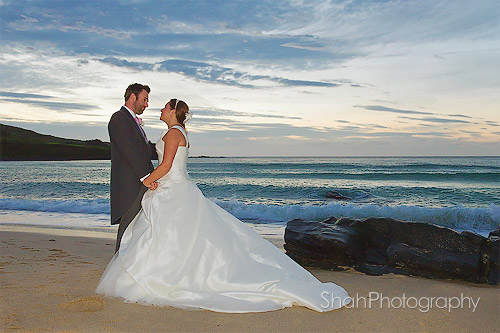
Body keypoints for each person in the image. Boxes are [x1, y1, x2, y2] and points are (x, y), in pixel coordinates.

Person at [96, 98, 351, 312]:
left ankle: (172, 277)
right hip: (170, 189)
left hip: (173, 190)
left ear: (173, 111)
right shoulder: (175, 132)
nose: (159, 110)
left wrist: (148, 181)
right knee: (173, 237)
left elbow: (165, 166)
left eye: (164, 107)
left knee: (173, 236)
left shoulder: (174, 133)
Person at [108, 83, 156, 252]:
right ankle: (116, 266)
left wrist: (152, 175)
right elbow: (129, 151)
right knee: (127, 228)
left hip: (139, 182)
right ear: (133, 97)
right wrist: (146, 177)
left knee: (136, 229)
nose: (146, 104)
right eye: (145, 99)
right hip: (129, 185)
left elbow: (142, 153)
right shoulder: (118, 118)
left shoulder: (133, 121)